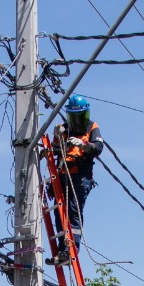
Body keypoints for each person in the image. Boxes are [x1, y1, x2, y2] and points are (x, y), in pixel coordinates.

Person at [44, 95, 103, 260]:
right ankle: (62, 250)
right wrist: (55, 139)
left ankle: (72, 250)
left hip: (80, 177)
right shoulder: (64, 128)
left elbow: (98, 147)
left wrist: (83, 145)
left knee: (73, 212)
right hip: (62, 176)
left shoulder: (92, 127)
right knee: (59, 213)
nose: (76, 121)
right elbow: (55, 149)